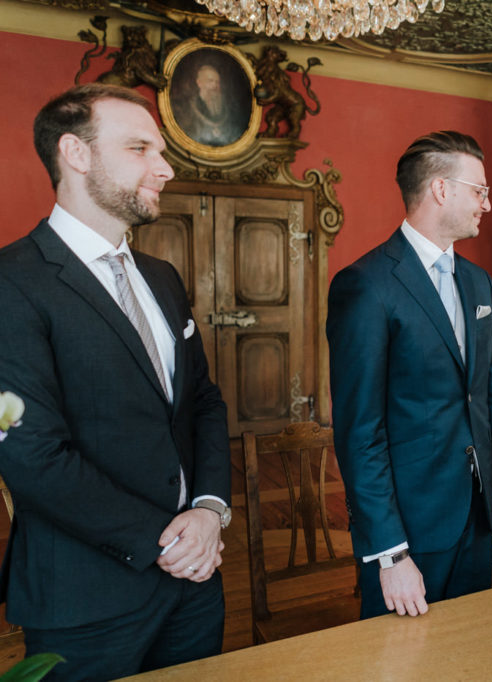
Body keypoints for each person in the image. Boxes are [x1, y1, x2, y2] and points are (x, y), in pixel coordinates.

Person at [0, 84, 231, 680]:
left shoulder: (162, 276)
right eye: (140, 149)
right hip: (86, 597)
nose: (166, 167)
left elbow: (201, 402)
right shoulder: (12, 281)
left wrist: (208, 511)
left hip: (196, 581)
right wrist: (164, 542)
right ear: (76, 154)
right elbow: (31, 455)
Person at [327, 130, 492, 619]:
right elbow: (359, 432)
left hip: (475, 515)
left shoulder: (477, 281)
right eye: (479, 190)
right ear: (441, 189)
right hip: (408, 525)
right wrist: (390, 551)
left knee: (467, 655)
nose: (487, 203)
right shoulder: (366, 285)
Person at [173, 64, 244, 146]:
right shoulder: (186, 108)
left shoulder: (229, 109)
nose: (215, 86)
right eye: (210, 81)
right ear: (199, 83)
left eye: (217, 82)